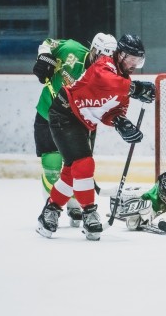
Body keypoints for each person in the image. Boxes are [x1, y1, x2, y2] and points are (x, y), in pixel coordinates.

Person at [36, 34, 156, 241]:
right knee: (84, 165)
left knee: (71, 171)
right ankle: (89, 212)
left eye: (138, 61)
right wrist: (135, 89)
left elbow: (114, 111)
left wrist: (121, 123)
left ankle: (51, 210)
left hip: (83, 123)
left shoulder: (124, 82)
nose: (134, 65)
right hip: (63, 113)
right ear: (120, 54)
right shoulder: (104, 64)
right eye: (131, 59)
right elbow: (106, 81)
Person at [32, 33, 117, 228]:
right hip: (47, 114)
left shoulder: (105, 76)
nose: (104, 61)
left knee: (75, 167)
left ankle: (74, 203)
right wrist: (44, 58)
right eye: (101, 55)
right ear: (93, 50)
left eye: (109, 58)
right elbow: (47, 43)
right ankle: (52, 209)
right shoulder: (71, 49)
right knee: (52, 164)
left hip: (80, 125)